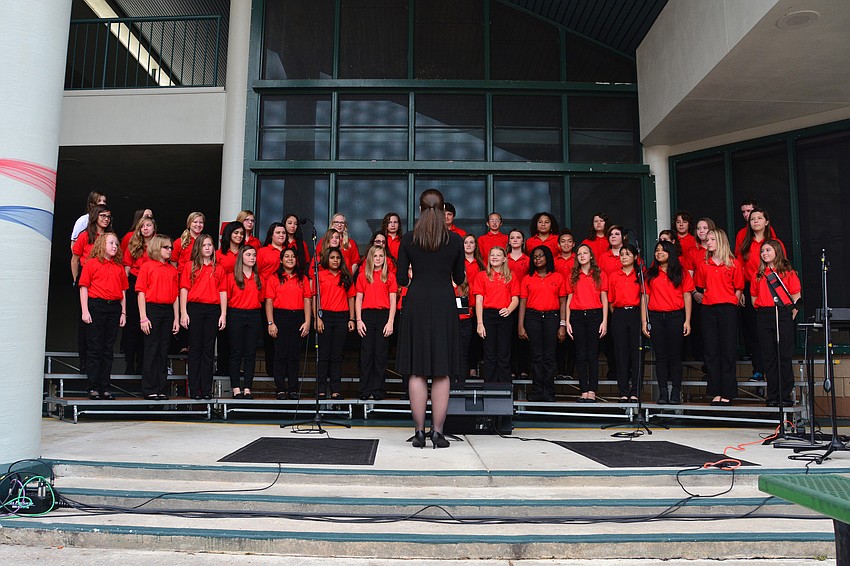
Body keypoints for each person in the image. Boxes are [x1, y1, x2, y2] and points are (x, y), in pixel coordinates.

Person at [396, 189, 465, 449]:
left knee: (417, 369)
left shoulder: (409, 238)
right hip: (444, 302)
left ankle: (418, 432)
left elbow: (401, 279)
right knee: (441, 370)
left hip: (417, 303)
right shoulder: (455, 240)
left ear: (420, 209)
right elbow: (459, 278)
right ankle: (438, 432)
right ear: (444, 210)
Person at [694, 229, 743, 406]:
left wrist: (733, 302)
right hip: (708, 308)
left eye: (712, 239)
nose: (708, 242)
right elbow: (700, 285)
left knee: (727, 350)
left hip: (727, 309)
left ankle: (728, 392)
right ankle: (715, 391)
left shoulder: (733, 263)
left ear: (721, 241)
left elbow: (739, 287)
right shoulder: (704, 264)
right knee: (711, 351)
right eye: (707, 239)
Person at [642, 240, 694, 405]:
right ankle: (663, 393)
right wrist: (644, 321)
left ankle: (675, 393)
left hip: (675, 317)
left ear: (670, 253)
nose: (659, 253)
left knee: (675, 356)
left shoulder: (681, 272)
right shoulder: (650, 273)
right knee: (661, 357)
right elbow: (645, 298)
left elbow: (687, 296)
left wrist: (687, 320)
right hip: (656, 318)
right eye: (657, 250)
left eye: (663, 250)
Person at [738, 208, 785, 383]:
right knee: (753, 330)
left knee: (773, 332)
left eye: (759, 218)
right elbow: (739, 268)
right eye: (752, 219)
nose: (755, 221)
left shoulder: (775, 243)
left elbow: (783, 267)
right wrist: (740, 290)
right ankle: (758, 369)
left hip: (772, 287)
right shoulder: (745, 244)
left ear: (766, 222)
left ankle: (776, 372)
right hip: (750, 288)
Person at [78, 232, 128, 400]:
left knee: (108, 349)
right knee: (95, 348)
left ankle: (105, 387)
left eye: (116, 244)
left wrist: (123, 312)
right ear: (102, 245)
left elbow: (123, 292)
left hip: (114, 308)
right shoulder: (92, 263)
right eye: (111, 243)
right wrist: (85, 310)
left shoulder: (119, 267)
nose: (115, 246)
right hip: (96, 306)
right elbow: (84, 287)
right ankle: (93, 387)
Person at [752, 240, 801, 407]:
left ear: (777, 251)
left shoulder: (788, 273)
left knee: (784, 356)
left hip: (782, 313)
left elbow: (796, 297)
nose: (764, 253)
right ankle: (772, 395)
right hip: (764, 315)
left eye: (768, 250)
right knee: (769, 357)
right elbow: (753, 297)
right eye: (762, 251)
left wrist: (789, 314)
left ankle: (784, 395)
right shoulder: (759, 274)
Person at [179, 234, 227, 400]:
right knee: (195, 350)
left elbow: (223, 292)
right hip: (195, 308)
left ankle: (206, 389)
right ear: (198, 247)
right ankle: (194, 389)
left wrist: (223, 314)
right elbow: (184, 289)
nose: (207, 248)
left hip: (213, 309)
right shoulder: (190, 266)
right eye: (204, 245)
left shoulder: (218, 268)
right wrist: (183, 312)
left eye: (210, 245)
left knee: (208, 350)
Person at [518, 245, 567, 402]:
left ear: (548, 257)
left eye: (541, 256)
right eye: (534, 257)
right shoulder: (527, 278)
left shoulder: (558, 277)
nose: (537, 259)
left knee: (549, 355)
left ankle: (549, 392)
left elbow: (563, 302)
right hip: (532, 317)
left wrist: (563, 325)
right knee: (536, 355)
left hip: (552, 317)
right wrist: (520, 325)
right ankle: (537, 391)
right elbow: (522, 303)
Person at [136, 235, 180, 400]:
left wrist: (176, 318)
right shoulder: (147, 267)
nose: (169, 250)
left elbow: (175, 296)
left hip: (167, 311)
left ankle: (161, 388)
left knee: (163, 350)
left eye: (170, 248)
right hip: (152, 309)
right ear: (156, 248)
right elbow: (141, 292)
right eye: (165, 247)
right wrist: (143, 317)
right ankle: (149, 389)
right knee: (151, 349)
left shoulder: (172, 270)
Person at [265, 248, 312, 400]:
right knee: (280, 354)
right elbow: (269, 301)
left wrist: (307, 321)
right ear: (281, 260)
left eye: (293, 256)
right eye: (286, 256)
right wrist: (271, 322)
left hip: (298, 317)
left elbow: (307, 300)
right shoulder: (274, 278)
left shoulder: (302, 278)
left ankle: (293, 389)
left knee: (294, 355)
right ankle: (280, 389)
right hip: (280, 316)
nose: (290, 259)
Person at [565, 244, 608, 402]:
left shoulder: (599, 274)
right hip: (577, 316)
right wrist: (567, 321)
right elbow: (569, 299)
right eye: (579, 254)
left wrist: (604, 321)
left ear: (591, 256)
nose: (582, 256)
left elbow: (604, 298)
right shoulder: (572, 275)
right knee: (580, 354)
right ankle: (583, 390)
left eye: (585, 253)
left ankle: (592, 391)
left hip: (595, 315)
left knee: (592, 354)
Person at [355, 245, 398, 400]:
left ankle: (378, 390)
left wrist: (390, 322)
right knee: (366, 354)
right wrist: (358, 320)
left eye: (381, 256)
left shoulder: (390, 276)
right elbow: (358, 299)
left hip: (383, 316)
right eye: (375, 256)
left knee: (380, 355)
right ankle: (365, 390)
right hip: (367, 316)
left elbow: (393, 301)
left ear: (385, 258)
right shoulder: (363, 276)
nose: (378, 259)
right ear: (370, 258)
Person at [313, 247, 355, 399]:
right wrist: (317, 318)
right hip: (324, 316)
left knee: (336, 355)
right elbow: (315, 297)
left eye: (338, 258)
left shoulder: (346, 276)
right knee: (323, 355)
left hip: (341, 317)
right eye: (332, 258)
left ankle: (335, 390)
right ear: (327, 259)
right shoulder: (320, 275)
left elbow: (351, 298)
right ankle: (321, 389)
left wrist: (352, 318)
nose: (335, 260)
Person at [474, 246, 520, 383]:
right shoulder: (482, 275)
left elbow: (516, 298)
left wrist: (509, 310)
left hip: (504, 316)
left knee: (504, 353)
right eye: (492, 255)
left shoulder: (511, 275)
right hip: (488, 315)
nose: (494, 257)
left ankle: (504, 387)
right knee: (489, 353)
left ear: (504, 259)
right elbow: (479, 300)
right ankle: (490, 387)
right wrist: (480, 323)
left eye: (498, 255)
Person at [225, 245, 263, 399]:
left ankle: (247, 388)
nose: (252, 258)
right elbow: (227, 298)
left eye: (254, 255)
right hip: (236, 314)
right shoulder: (231, 277)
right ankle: (236, 388)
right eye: (248, 255)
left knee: (250, 353)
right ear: (241, 257)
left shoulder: (258, 277)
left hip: (254, 315)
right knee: (236, 352)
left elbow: (261, 299)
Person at [607, 244, 642, 402]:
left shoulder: (640, 275)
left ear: (635, 257)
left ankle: (635, 392)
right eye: (621, 254)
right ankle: (623, 392)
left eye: (627, 254)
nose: (624, 257)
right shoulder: (614, 276)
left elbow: (645, 297)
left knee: (636, 355)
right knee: (621, 355)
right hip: (619, 314)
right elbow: (611, 301)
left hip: (636, 314)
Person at [122, 215, 156, 374]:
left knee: (148, 326)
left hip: (152, 285)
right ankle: (129, 363)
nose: (146, 228)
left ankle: (143, 364)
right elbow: (126, 270)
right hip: (134, 283)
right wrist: (124, 289)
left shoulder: (158, 245)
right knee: (133, 325)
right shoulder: (133, 245)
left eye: (148, 225)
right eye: (143, 226)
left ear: (154, 228)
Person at [506, 229, 530, 380]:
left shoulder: (528, 260)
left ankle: (524, 368)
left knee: (523, 336)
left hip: (525, 301)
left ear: (523, 241)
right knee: (510, 337)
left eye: (518, 237)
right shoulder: (504, 259)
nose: (515, 240)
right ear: (508, 241)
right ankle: (512, 368)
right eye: (512, 237)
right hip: (507, 302)